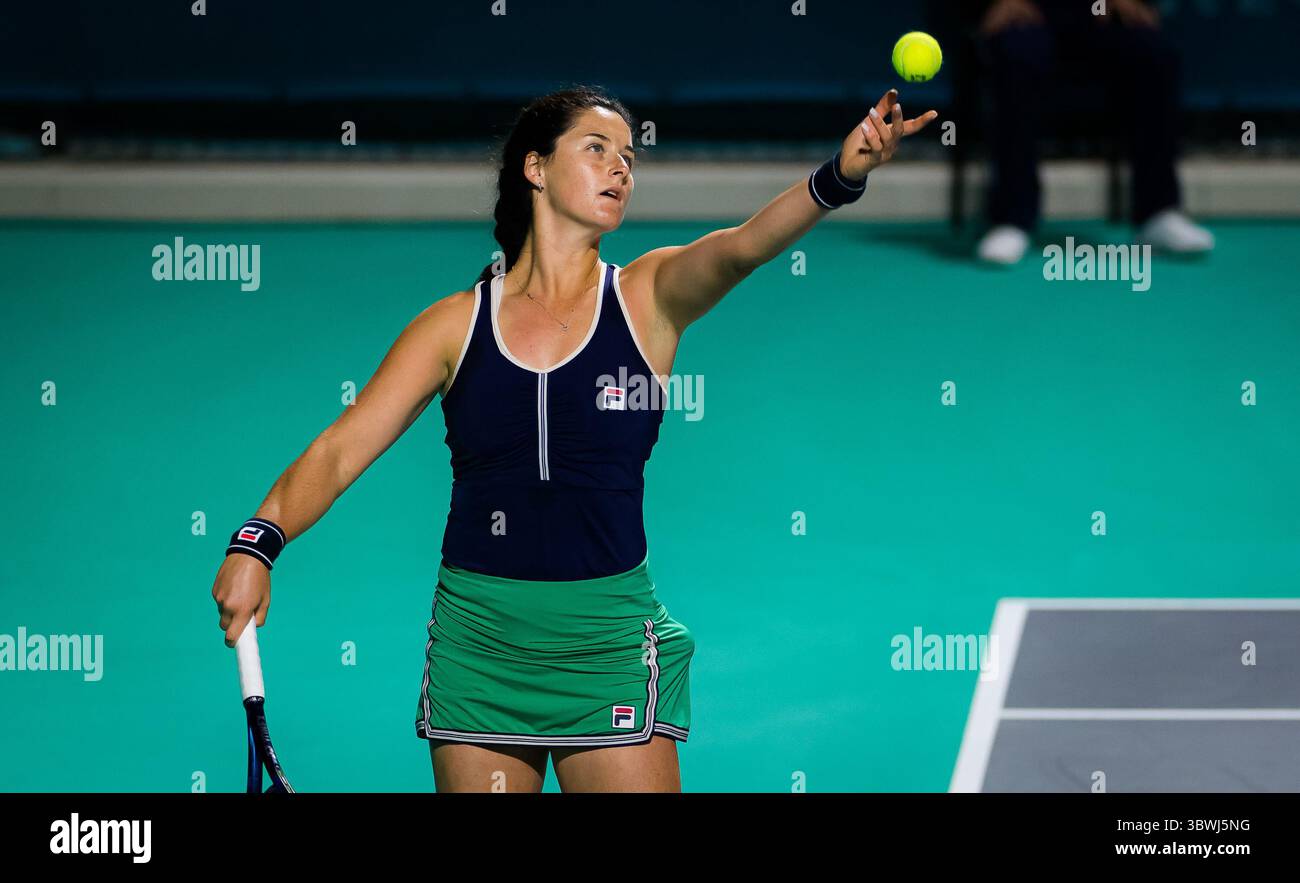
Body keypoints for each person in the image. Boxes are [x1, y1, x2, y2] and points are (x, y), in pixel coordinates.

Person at [212, 85, 937, 792]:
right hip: (480, 650)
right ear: (535, 167)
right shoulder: (452, 325)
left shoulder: (649, 297)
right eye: (597, 149)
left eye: (629, 157)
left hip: (608, 643)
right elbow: (340, 450)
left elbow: (741, 249)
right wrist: (258, 539)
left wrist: (839, 177)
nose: (621, 167)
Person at [972, 0, 1215, 264]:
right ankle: (1011, 219)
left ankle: (1157, 213)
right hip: (1023, 13)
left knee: (1153, 52)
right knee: (1016, 53)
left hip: (1098, 12)